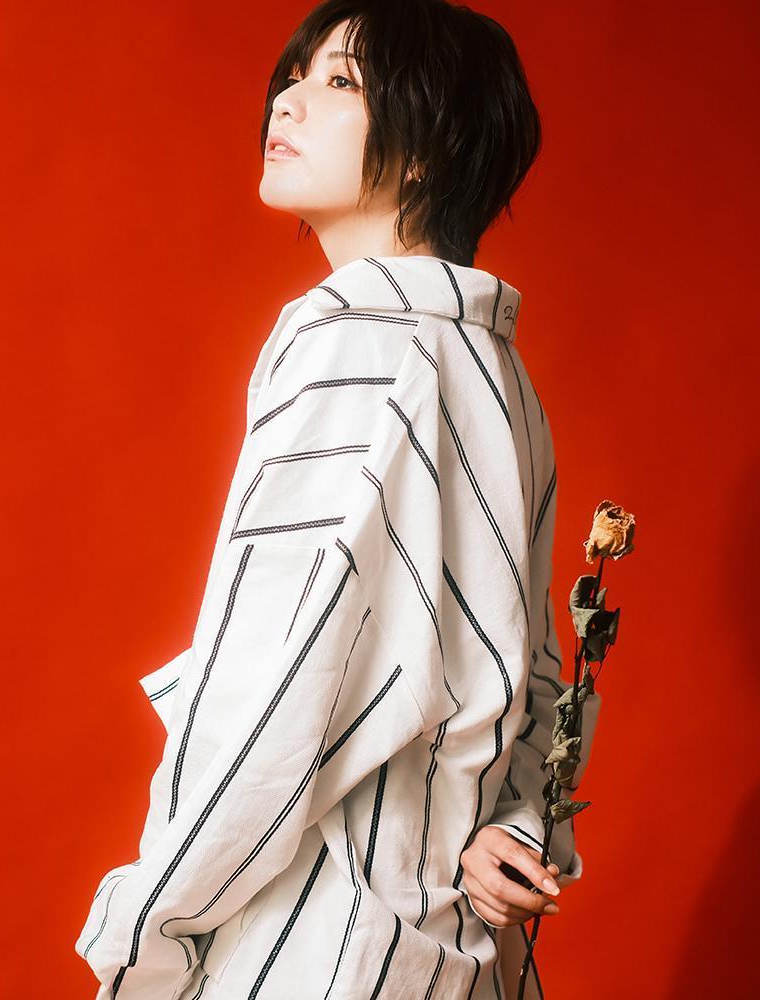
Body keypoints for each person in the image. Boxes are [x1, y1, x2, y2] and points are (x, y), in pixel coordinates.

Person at [75, 2, 599, 997]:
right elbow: (528, 669)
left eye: (341, 82)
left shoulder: (357, 340)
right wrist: (515, 821)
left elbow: (275, 683)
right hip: (445, 948)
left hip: (314, 940)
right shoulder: (494, 369)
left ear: (426, 148)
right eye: (295, 74)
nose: (288, 100)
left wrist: (147, 929)